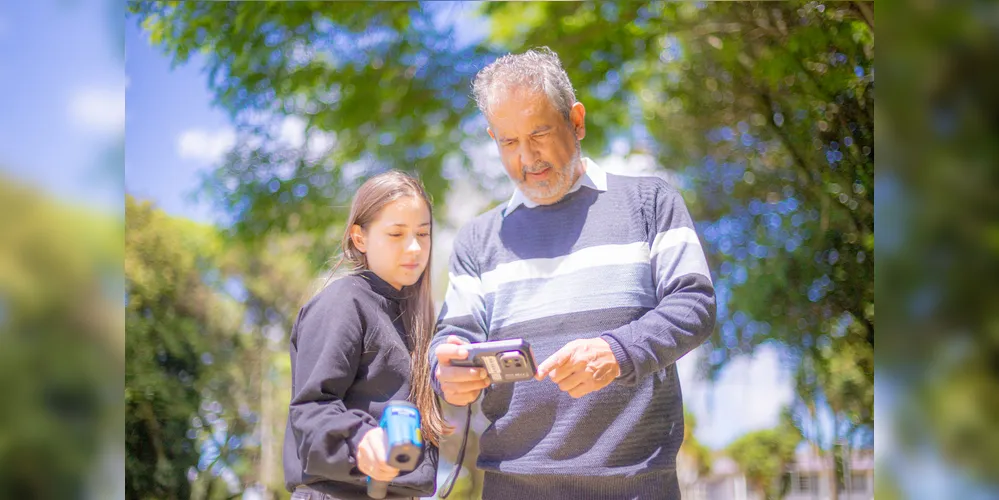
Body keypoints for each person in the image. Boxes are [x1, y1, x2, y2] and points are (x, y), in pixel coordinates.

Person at [430, 48, 717, 499]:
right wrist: (446, 371)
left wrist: (618, 350)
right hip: (513, 488)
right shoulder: (477, 239)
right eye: (508, 142)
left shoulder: (650, 203)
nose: (527, 157)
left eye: (540, 133)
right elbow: (451, 340)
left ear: (576, 121)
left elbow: (694, 305)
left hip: (637, 487)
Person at [283, 171, 442, 500]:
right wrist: (361, 440)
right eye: (396, 234)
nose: (414, 247)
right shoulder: (342, 302)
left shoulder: (419, 319)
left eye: (423, 234)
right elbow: (311, 408)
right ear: (360, 238)